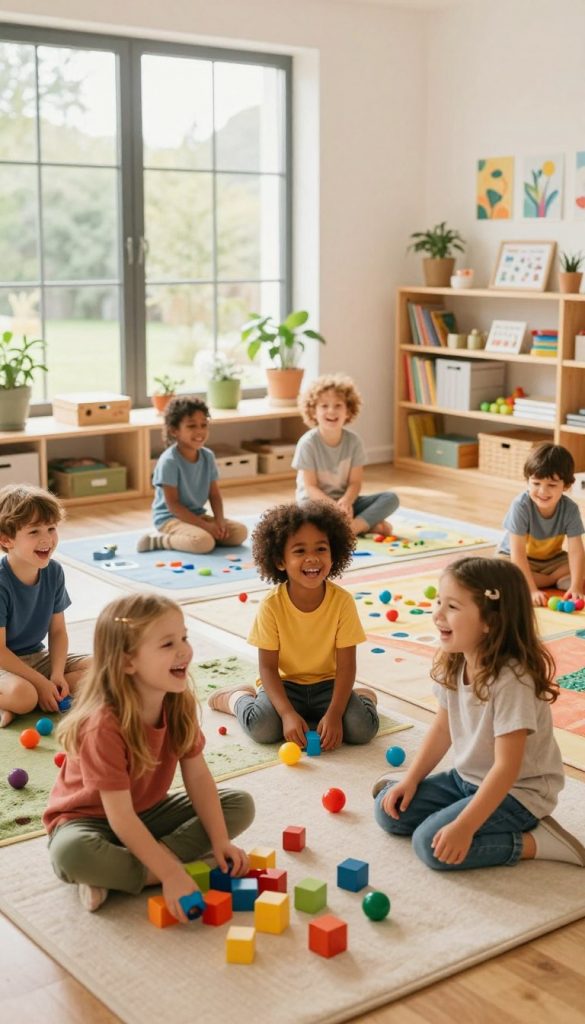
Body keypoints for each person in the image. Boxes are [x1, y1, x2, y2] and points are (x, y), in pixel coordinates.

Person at [43, 593, 255, 915]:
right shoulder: (102, 725)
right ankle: (155, 867)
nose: (184, 650)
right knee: (71, 855)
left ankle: (123, 873)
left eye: (183, 637)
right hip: (87, 820)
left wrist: (220, 840)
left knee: (239, 805)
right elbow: (120, 817)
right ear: (128, 661)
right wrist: (171, 873)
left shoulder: (177, 701)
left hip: (148, 812)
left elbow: (197, 776)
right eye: (168, 644)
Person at [373, 556, 585, 871]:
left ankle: (539, 841)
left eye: (452, 607)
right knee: (387, 812)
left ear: (490, 622)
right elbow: (443, 729)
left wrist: (465, 826)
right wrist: (411, 779)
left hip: (520, 791)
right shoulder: (458, 659)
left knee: (429, 845)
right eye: (438, 602)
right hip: (468, 779)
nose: (437, 615)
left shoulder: (513, 681)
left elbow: (506, 768)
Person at [208, 501, 379, 750]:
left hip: (328, 684)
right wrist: (287, 713)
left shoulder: (342, 602)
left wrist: (334, 713)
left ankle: (364, 698)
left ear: (334, 554)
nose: (312, 558)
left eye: (321, 549)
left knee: (362, 729)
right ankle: (237, 698)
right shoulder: (272, 605)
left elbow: (346, 666)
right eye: (299, 551)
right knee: (263, 729)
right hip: (284, 685)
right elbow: (267, 668)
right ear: (280, 561)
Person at [0, 484, 90, 728]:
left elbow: (58, 631)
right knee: (24, 695)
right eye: (34, 532)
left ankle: (36, 696)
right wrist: (41, 683)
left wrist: (57, 675)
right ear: (6, 539)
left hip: (37, 656)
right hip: (3, 662)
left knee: (102, 669)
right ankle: (23, 698)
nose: (46, 539)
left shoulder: (54, 571)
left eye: (51, 528)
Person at [292, 374, 399, 537]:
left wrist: (347, 502)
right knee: (307, 520)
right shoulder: (308, 443)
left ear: (348, 411)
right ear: (313, 411)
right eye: (324, 406)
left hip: (346, 504)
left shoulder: (354, 442)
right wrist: (334, 507)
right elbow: (310, 487)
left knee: (391, 498)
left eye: (338, 405)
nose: (331, 411)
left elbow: (355, 483)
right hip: (315, 505)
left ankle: (352, 528)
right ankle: (365, 525)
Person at [137, 396, 247, 554]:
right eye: (191, 426)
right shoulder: (169, 461)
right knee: (203, 542)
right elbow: (173, 505)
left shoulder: (207, 456)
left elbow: (214, 495)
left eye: (203, 425)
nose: (199, 431)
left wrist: (219, 522)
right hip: (170, 519)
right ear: (174, 430)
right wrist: (207, 527)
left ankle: (201, 534)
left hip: (196, 516)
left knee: (239, 533)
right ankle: (158, 539)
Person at [498, 442, 585, 607]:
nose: (542, 492)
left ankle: (549, 580)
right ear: (528, 481)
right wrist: (531, 590)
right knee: (502, 571)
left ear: (566, 486)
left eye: (552, 485)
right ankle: (549, 581)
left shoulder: (570, 509)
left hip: (551, 560)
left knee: (581, 562)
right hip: (517, 559)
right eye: (536, 483)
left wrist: (576, 587)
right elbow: (517, 554)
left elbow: (576, 551)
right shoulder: (520, 506)